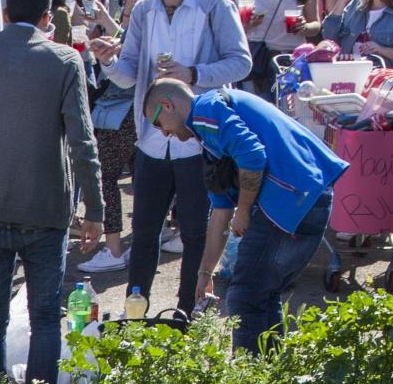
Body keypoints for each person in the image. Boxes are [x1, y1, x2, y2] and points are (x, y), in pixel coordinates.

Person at [0, 0, 102, 384]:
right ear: (48, 17)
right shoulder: (64, 60)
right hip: (46, 207)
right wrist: (96, 212)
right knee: (45, 317)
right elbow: (83, 142)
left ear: (5, 12)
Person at [89, 0, 251, 317]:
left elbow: (240, 61)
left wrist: (191, 74)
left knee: (195, 233)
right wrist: (108, 60)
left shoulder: (214, 3)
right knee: (144, 233)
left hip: (199, 141)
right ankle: (136, 313)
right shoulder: (144, 8)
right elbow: (130, 72)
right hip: (151, 138)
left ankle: (186, 314)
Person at [147, 78, 346, 353]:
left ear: (167, 105)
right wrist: (204, 274)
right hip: (310, 196)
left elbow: (253, 156)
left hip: (292, 197)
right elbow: (219, 212)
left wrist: (243, 212)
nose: (163, 133)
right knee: (263, 294)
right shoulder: (210, 139)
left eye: (158, 124)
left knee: (244, 297)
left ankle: (249, 382)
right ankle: (269, 377)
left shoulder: (206, 110)